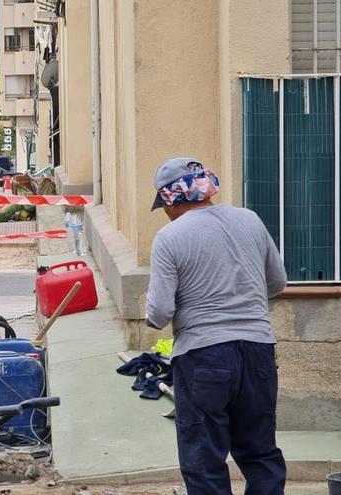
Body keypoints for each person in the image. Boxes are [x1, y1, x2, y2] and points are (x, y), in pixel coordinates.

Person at [145, 157, 287, 494]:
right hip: (258, 352)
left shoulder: (169, 237)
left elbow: (159, 313)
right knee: (261, 454)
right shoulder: (250, 220)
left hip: (203, 357)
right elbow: (277, 282)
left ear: (170, 200)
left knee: (204, 461)